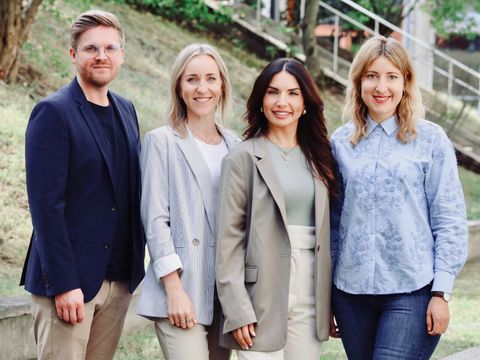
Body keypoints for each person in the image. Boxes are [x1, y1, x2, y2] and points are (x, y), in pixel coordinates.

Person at [330, 35, 468, 359]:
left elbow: (449, 218)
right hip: (351, 295)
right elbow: (333, 223)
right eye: (372, 76)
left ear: (405, 83)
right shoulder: (339, 143)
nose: (381, 87)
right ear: (358, 81)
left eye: (392, 76)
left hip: (412, 291)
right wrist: (327, 296)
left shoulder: (430, 140)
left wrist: (442, 292)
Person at [20, 9, 145, 360]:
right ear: (73, 55)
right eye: (91, 48)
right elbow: (46, 208)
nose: (101, 56)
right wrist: (63, 284)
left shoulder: (127, 110)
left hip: (119, 282)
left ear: (122, 55)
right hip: (71, 285)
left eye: (110, 48)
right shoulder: (53, 113)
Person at [215, 58, 337, 360]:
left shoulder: (321, 159)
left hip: (311, 289)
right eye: (273, 92)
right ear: (261, 100)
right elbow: (228, 241)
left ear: (306, 102)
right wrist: (237, 309)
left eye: (293, 93)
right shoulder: (241, 158)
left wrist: (331, 301)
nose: (282, 102)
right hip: (260, 293)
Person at [136, 43, 239, 360]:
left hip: (226, 292)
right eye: (192, 79)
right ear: (179, 86)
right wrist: (173, 289)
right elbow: (155, 220)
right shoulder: (161, 142)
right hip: (183, 288)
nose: (202, 88)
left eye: (211, 78)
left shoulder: (237, 146)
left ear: (222, 85)